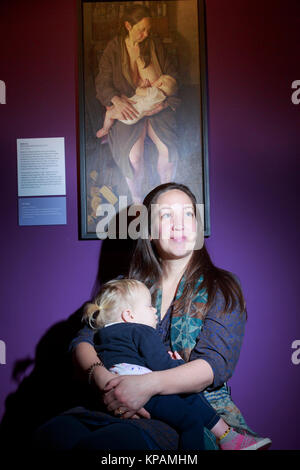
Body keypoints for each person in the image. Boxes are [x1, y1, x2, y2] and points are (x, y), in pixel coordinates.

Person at [66, 182, 272, 451]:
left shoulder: (221, 286)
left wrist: (145, 386)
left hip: (196, 411)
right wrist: (105, 382)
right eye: (166, 215)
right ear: (150, 231)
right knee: (54, 434)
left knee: (113, 445)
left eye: (188, 214)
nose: (180, 224)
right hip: (115, 399)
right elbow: (83, 341)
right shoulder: (125, 287)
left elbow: (212, 367)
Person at [82, 277, 271, 451]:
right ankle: (225, 438)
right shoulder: (141, 331)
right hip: (146, 395)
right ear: (129, 315)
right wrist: (180, 365)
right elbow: (161, 364)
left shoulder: (101, 336)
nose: (154, 310)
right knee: (191, 421)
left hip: (113, 396)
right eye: (149, 306)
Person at [95, 5, 180, 203]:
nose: (146, 34)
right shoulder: (114, 48)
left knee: (168, 152)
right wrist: (116, 100)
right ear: (128, 26)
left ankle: (163, 198)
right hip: (129, 105)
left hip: (158, 107)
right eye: (141, 29)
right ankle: (137, 199)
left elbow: (173, 78)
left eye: (148, 29)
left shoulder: (155, 45)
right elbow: (102, 82)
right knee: (134, 158)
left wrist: (164, 104)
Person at [96, 75, 177, 137]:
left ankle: (105, 129)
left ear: (160, 83)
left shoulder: (154, 91)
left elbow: (138, 91)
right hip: (135, 116)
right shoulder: (163, 99)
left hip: (129, 112)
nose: (154, 82)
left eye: (157, 80)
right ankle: (112, 117)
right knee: (114, 109)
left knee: (109, 114)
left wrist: (143, 87)